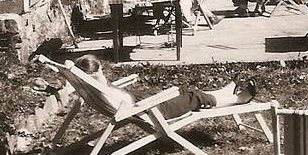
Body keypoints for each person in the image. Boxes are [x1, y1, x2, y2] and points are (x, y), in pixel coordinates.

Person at [73, 54, 257, 119]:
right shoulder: (101, 88)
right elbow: (125, 106)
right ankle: (238, 99)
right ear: (94, 75)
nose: (104, 75)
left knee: (186, 91)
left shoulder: (94, 89)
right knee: (193, 97)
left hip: (142, 101)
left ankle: (221, 92)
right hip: (150, 109)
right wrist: (100, 78)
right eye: (101, 73)